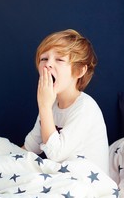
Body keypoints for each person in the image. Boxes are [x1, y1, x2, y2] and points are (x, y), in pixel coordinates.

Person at [23, 29, 109, 174]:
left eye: (59, 59)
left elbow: (55, 153)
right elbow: (30, 148)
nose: (48, 64)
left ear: (79, 71)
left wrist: (44, 106)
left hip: (85, 183)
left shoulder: (85, 107)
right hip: (61, 178)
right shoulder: (51, 104)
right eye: (44, 59)